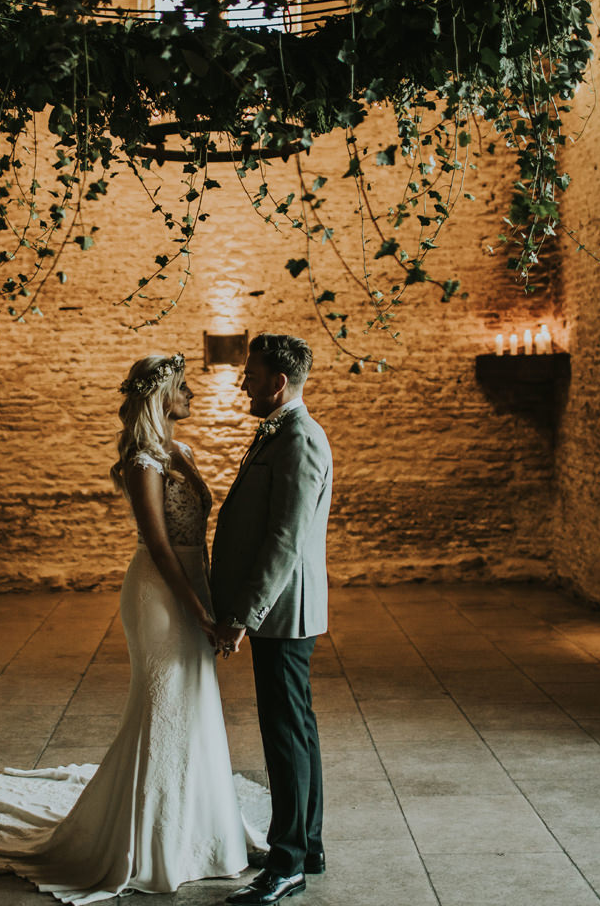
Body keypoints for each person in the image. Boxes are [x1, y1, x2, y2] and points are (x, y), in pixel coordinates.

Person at [0, 352, 267, 905]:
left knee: (195, 703)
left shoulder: (181, 451)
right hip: (162, 597)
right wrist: (200, 613)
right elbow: (159, 548)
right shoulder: (143, 461)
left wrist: (213, 599)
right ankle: (149, 842)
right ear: (160, 396)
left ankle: (203, 835)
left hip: (196, 585)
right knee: (162, 706)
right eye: (183, 387)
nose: (192, 394)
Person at [210, 334, 333, 906]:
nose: (244, 385)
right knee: (296, 728)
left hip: (283, 613)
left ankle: (286, 866)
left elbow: (286, 540)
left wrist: (245, 614)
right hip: (280, 611)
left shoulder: (300, 439)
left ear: (278, 383)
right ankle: (306, 844)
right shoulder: (281, 432)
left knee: (284, 735)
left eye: (252, 377)